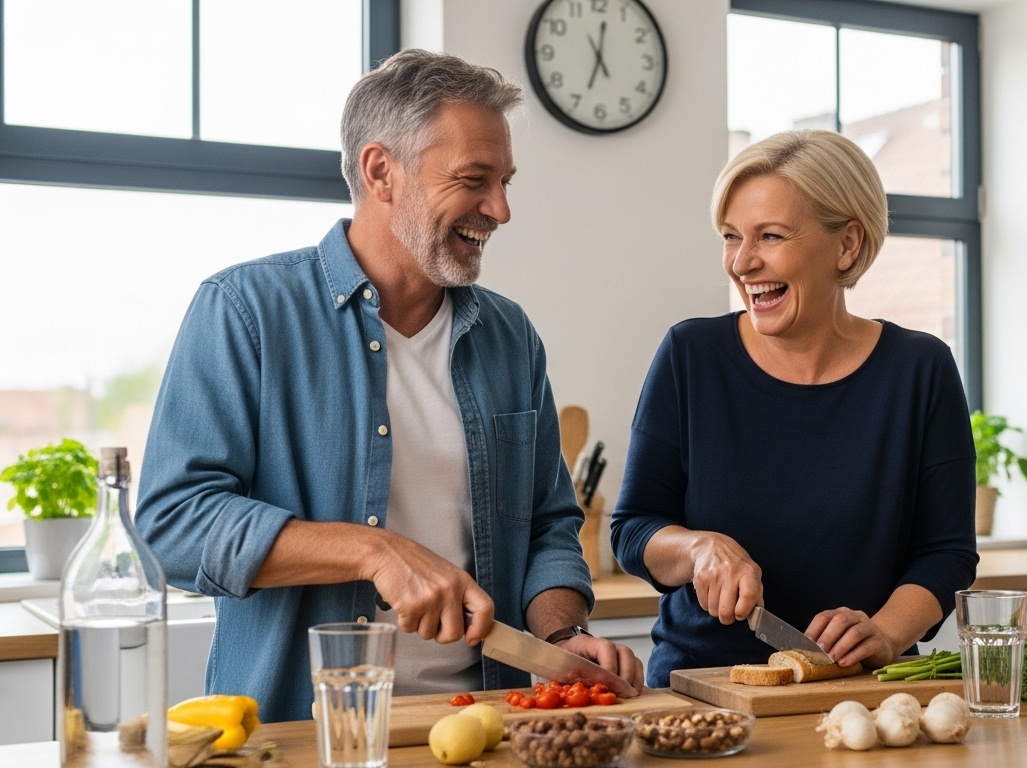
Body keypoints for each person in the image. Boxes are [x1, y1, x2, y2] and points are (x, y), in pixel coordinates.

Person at [137, 50, 642, 722]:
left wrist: (559, 632)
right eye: (474, 179)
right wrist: (374, 551)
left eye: (505, 181)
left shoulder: (509, 336)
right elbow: (173, 525)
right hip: (307, 733)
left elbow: (551, 524)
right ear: (381, 171)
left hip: (486, 723)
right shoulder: (245, 311)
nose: (500, 209)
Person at [611, 130, 979, 688]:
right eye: (731, 237)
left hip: (854, 692)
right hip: (702, 691)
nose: (742, 261)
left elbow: (946, 551)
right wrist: (698, 548)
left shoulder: (920, 370)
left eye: (771, 236)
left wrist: (884, 632)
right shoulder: (691, 356)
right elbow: (634, 530)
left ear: (847, 245)